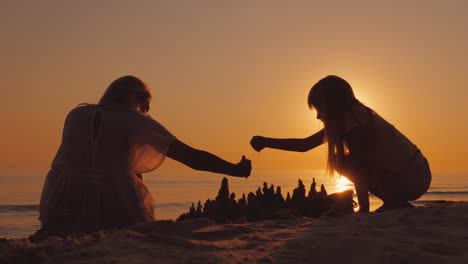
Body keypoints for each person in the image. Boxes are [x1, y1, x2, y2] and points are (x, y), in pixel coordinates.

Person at [38, 75, 251, 235]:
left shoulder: (77, 114)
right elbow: (192, 158)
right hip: (114, 200)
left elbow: (93, 158)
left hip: (63, 197)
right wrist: (235, 169)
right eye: (145, 103)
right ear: (140, 97)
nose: (146, 109)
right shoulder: (137, 121)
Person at [250, 75, 431, 213]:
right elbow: (305, 145)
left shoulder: (352, 120)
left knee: (342, 162)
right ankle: (394, 202)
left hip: (412, 177)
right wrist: (267, 142)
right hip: (416, 174)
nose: (318, 116)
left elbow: (360, 165)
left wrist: (363, 210)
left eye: (319, 108)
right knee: (341, 161)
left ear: (331, 104)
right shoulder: (351, 117)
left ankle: (392, 202)